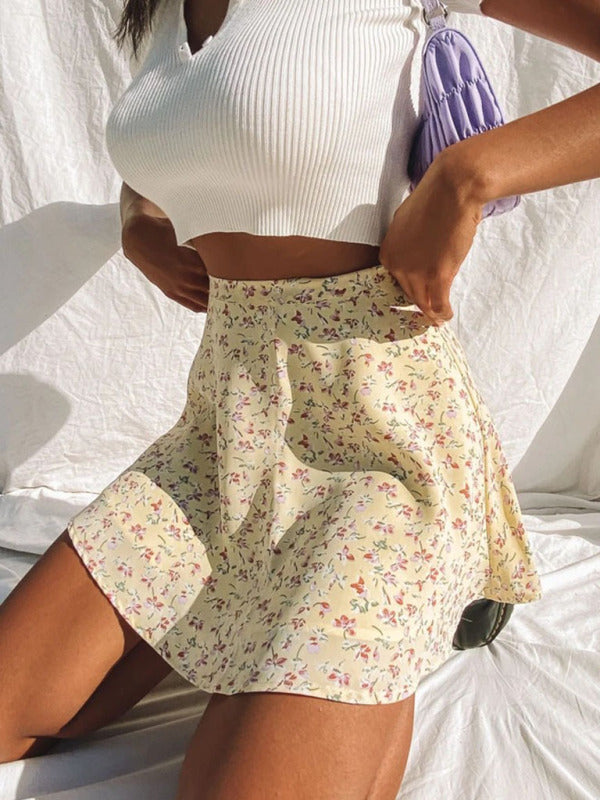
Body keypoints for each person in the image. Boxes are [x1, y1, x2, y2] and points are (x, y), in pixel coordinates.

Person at [1, 0, 598, 797]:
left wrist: (469, 173)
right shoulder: (161, 14)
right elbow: (180, 139)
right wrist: (138, 219)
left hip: (382, 448)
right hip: (223, 435)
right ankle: (270, 618)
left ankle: (423, 591)